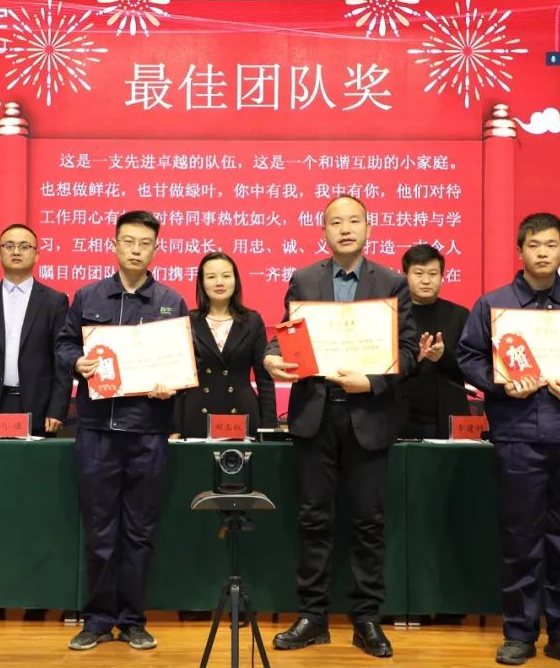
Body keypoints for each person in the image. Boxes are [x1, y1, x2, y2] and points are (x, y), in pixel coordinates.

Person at [456, 213, 560, 668]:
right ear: (520, 251)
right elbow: (468, 356)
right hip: (517, 437)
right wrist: (501, 383)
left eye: (551, 245)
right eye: (534, 245)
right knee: (521, 539)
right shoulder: (494, 305)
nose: (543, 253)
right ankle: (519, 634)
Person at [263, 195, 418, 659]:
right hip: (316, 414)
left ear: (369, 228)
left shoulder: (391, 282)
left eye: (354, 221)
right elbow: (285, 335)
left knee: (368, 522)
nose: (345, 229)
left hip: (368, 413)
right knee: (313, 519)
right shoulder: (304, 279)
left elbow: (408, 351)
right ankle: (312, 616)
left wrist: (372, 381)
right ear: (323, 231)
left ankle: (367, 618)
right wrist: (271, 357)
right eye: (336, 222)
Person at [55, 210, 188, 652]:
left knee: (139, 531)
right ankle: (97, 619)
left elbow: (181, 360)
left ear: (156, 249)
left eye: (144, 243)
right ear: (114, 245)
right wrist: (76, 362)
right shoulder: (88, 295)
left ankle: (132, 620)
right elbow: (64, 344)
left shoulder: (170, 301)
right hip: (97, 429)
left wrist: (171, 382)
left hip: (148, 432)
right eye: (128, 241)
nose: (135, 250)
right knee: (99, 530)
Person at [0, 223, 71, 437]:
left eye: (24, 246)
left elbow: (62, 361)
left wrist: (57, 409)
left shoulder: (54, 302)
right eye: (9, 246)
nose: (16, 252)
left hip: (38, 409)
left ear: (37, 255)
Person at [173, 252, 277, 439]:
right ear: (201, 282)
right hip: (197, 416)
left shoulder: (252, 321)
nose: (219, 282)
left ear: (235, 280)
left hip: (242, 415)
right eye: (211, 277)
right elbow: (179, 380)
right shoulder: (189, 320)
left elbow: (264, 379)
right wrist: (174, 427)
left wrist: (269, 428)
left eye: (226, 276)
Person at [397, 244, 471, 440]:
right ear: (405, 276)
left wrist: (443, 356)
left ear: (442, 277)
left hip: (449, 418)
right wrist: (413, 358)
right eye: (418, 273)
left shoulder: (459, 315)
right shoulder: (393, 315)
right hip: (400, 417)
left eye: (433, 274)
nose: (426, 280)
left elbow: (474, 367)